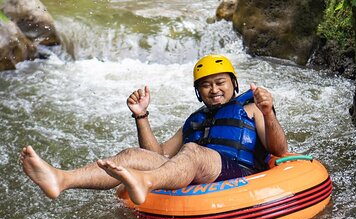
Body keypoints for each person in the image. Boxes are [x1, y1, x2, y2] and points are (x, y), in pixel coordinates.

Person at [20, 55, 288, 205]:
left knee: (192, 151)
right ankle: (62, 180)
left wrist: (267, 112)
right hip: (198, 170)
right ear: (198, 92)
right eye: (206, 86)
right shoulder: (195, 119)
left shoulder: (253, 107)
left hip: (238, 173)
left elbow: (280, 150)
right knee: (132, 155)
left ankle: (144, 183)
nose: (214, 89)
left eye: (220, 82)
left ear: (234, 83)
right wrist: (141, 116)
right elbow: (157, 155)